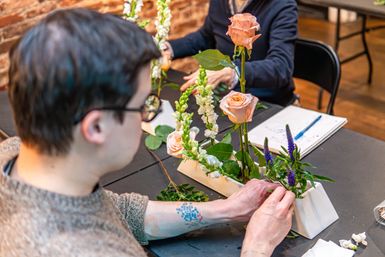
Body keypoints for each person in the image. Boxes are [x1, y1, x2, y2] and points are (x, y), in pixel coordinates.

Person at [0, 8, 295, 257]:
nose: (145, 116)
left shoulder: (14, 155)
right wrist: (257, 247)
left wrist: (227, 208)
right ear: (96, 127)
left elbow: (118, 212)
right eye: (143, 104)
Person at [164, 0, 298, 106]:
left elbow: (281, 67)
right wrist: (168, 48)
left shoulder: (282, 5)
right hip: (229, 97)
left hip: (269, 102)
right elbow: (205, 36)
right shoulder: (220, 2)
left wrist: (231, 71)